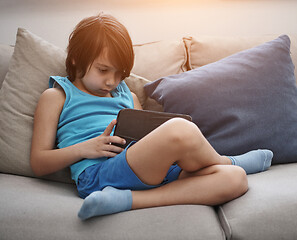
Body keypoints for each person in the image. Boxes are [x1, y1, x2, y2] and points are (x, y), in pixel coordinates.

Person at [30, 13, 273, 221]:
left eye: (119, 73)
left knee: (236, 181)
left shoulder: (128, 96)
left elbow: (146, 141)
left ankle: (125, 200)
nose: (111, 81)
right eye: (103, 70)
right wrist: (86, 149)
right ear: (75, 59)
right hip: (97, 174)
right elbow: (39, 162)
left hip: (142, 167)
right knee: (180, 129)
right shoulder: (57, 95)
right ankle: (227, 160)